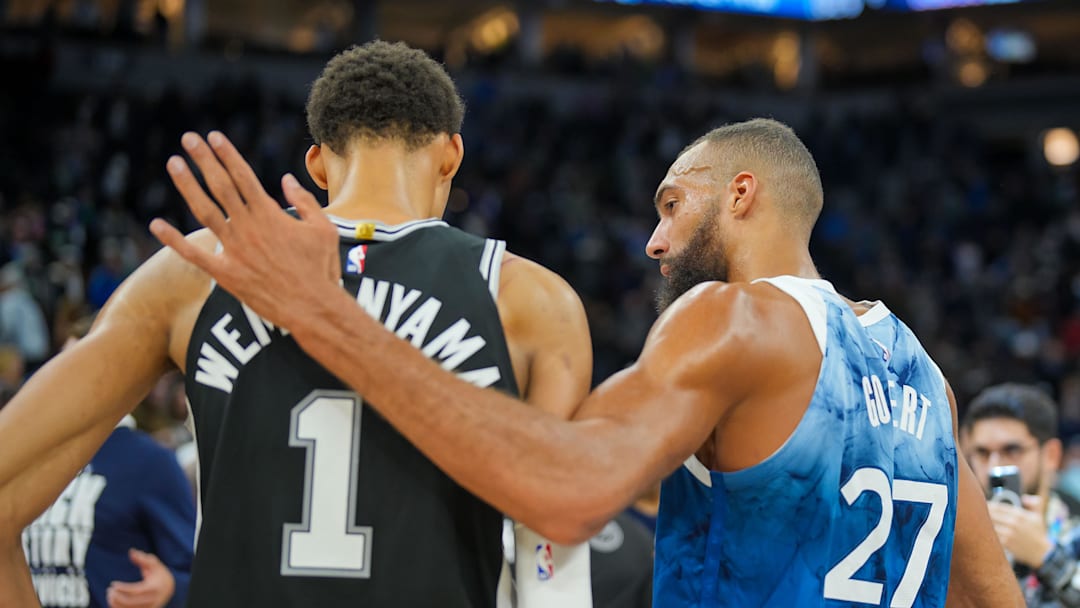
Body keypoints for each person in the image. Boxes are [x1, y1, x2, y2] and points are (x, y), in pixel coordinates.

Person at [152, 116, 1025, 606]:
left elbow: (565, 492)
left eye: (673, 205)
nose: (654, 241)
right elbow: (991, 598)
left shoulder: (733, 319)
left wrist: (325, 315)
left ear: (743, 195)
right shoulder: (922, 371)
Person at [0, 41, 594, 607]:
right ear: (451, 155)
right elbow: (551, 559)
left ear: (316, 163)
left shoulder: (198, 271)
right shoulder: (530, 299)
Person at [21, 316, 195, 608]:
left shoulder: (150, 462)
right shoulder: (35, 460)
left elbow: (199, 574)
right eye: (63, 363)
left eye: (81, 364)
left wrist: (173, 588)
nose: (65, 377)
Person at [961, 383, 1080, 607]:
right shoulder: (957, 536)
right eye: (982, 453)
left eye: (1012, 450)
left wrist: (1046, 557)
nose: (993, 467)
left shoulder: (1074, 533)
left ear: (1051, 455)